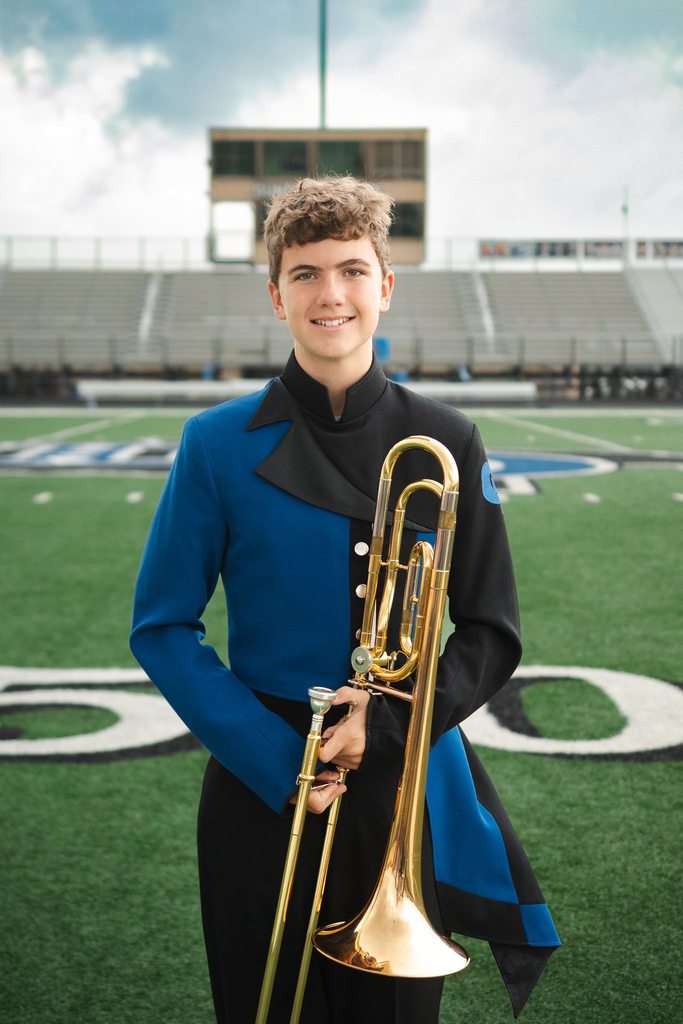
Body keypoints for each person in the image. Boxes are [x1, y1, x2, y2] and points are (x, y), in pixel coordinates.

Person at [130, 175, 559, 1024]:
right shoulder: (214, 443)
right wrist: (278, 762)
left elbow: (490, 630)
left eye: (353, 271)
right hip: (265, 790)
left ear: (385, 287)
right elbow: (162, 626)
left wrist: (392, 724)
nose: (331, 294)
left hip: (399, 788)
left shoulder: (448, 437)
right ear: (275, 294)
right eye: (306, 273)